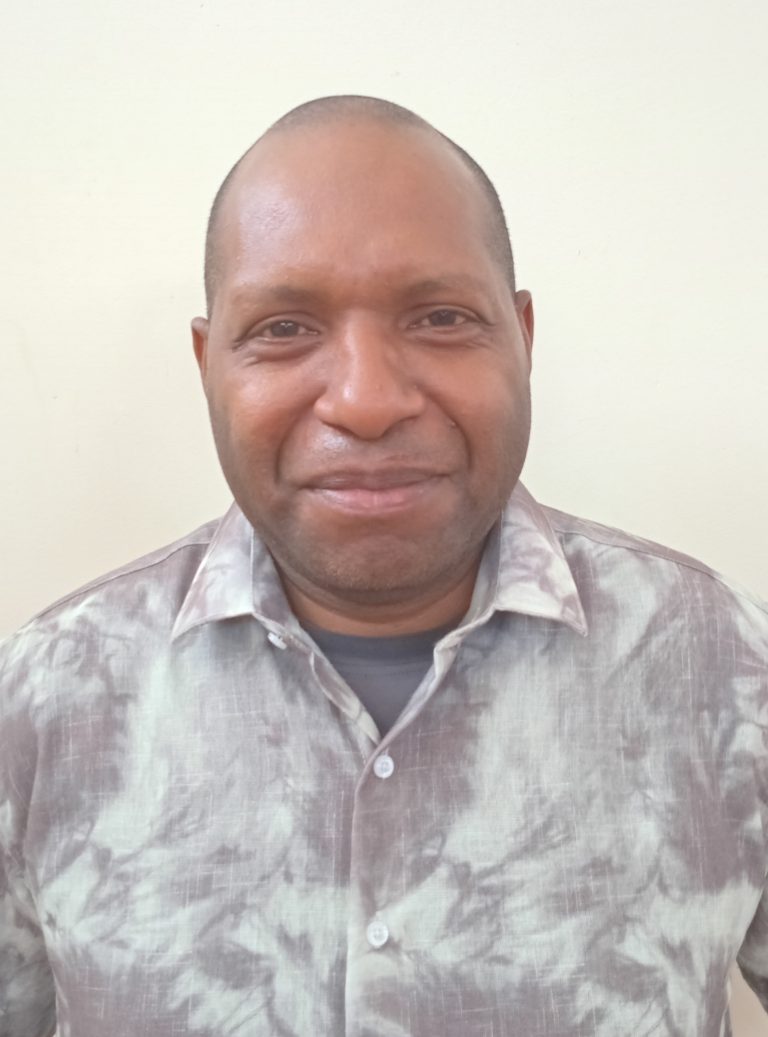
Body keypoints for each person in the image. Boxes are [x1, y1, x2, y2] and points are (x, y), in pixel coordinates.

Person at [1, 95, 767, 1037]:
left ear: (522, 337)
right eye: (284, 328)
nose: (366, 401)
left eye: (440, 317)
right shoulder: (41, 702)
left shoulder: (728, 668)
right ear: (209, 364)